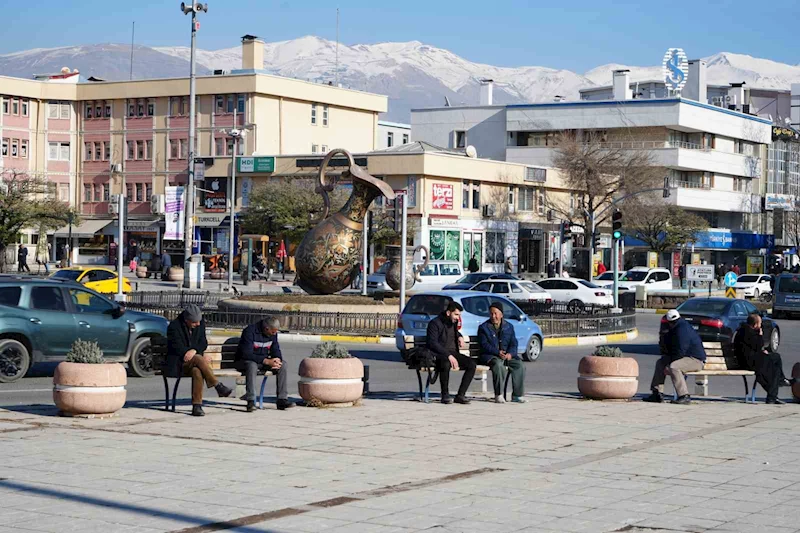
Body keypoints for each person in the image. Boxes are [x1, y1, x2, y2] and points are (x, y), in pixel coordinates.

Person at [166, 304, 232, 416]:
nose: (198, 324)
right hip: (178, 363)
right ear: (187, 320)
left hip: (194, 362)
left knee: (197, 370)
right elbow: (177, 347)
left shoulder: (200, 324)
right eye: (194, 322)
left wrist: (195, 351)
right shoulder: (174, 326)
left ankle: (197, 406)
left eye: (198, 322)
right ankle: (217, 385)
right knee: (197, 358)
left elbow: (203, 343)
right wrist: (195, 354)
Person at [644, 309, 706, 405]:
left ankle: (684, 396)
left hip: (695, 360)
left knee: (674, 367)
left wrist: (669, 364)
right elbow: (670, 348)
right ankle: (657, 393)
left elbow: (681, 350)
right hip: (684, 357)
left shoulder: (682, 329)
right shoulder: (675, 328)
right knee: (660, 363)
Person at [734, 314, 795, 404]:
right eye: (759, 324)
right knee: (774, 371)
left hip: (752, 358)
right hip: (750, 362)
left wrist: (762, 351)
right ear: (755, 325)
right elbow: (758, 345)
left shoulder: (745, 330)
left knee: (776, 357)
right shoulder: (749, 333)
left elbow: (753, 348)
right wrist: (760, 335)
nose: (760, 326)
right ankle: (772, 396)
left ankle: (781, 381)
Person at [235, 317, 293, 412]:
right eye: (273, 332)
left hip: (263, 361)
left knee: (283, 365)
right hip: (246, 361)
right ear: (266, 329)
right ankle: (251, 400)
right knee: (252, 366)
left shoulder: (273, 333)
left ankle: (282, 399)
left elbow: (275, 348)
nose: (274, 334)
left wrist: (277, 359)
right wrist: (265, 361)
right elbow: (246, 354)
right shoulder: (250, 331)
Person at [426, 301, 475, 404]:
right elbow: (432, 343)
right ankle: (445, 395)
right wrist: (448, 355)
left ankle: (460, 395)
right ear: (448, 313)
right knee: (446, 363)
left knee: (471, 364)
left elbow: (454, 332)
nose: (458, 318)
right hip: (439, 354)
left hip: (453, 353)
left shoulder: (453, 322)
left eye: (459, 315)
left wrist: (459, 336)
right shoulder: (435, 323)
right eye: (456, 314)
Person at [478, 303, 526, 403]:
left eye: (495, 313)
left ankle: (517, 395)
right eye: (491, 314)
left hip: (505, 356)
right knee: (498, 365)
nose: (493, 316)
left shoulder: (509, 327)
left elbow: (514, 344)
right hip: (491, 356)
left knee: (519, 365)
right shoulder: (484, 327)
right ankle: (498, 394)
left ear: (501, 315)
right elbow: (484, 345)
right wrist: (497, 352)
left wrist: (510, 354)